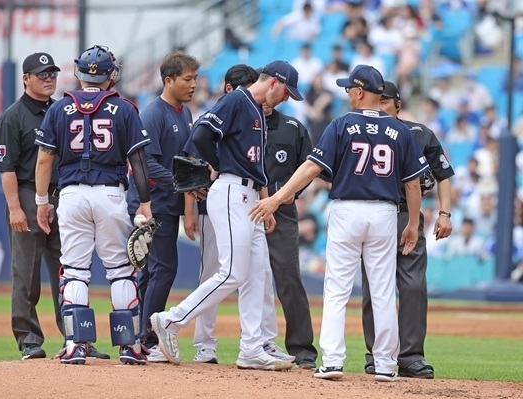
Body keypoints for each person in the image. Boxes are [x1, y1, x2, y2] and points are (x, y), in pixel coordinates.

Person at [248, 65, 429, 382]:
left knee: (337, 289)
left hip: (348, 210)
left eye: (349, 89)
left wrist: (277, 198)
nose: (347, 94)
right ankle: (385, 364)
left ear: (360, 92)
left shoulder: (342, 125)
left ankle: (332, 361)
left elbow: (311, 168)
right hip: (385, 213)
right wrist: (413, 223)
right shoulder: (399, 131)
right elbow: (413, 185)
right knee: (383, 289)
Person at [150, 61, 303, 371]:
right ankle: (170, 320)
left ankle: (251, 348)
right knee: (232, 272)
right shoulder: (237, 99)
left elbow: (256, 166)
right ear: (273, 82)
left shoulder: (258, 111)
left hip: (250, 197)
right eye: (287, 91)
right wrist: (220, 163)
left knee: (258, 274)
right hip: (231, 190)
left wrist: (265, 201)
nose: (288, 98)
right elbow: (202, 135)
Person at [34, 45, 153, 365]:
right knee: (120, 271)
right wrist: (145, 202)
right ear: (109, 75)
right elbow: (138, 161)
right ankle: (129, 346)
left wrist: (41, 201)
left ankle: (76, 344)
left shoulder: (59, 108)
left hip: (71, 195)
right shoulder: (124, 108)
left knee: (73, 270)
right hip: (111, 194)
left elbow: (45, 159)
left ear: (80, 72)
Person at [0, 52, 108, 360]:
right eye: (41, 74)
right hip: (30, 196)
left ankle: (76, 337)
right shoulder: (13, 116)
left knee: (70, 270)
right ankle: (29, 340)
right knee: (26, 273)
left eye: (52, 74)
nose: (48, 78)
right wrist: (15, 208)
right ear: (25, 78)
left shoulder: (63, 110)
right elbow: (6, 168)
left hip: (65, 197)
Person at [362, 81, 455, 379]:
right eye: (376, 102)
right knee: (375, 287)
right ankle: (377, 354)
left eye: (385, 102)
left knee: (413, 286)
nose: (380, 108)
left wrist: (445, 213)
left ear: (398, 105)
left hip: (406, 215)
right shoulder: (360, 130)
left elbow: (443, 173)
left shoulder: (418, 133)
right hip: (374, 212)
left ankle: (411, 356)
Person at [126, 50, 200, 362]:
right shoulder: (154, 114)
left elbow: (184, 162)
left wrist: (188, 201)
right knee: (163, 269)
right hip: (153, 204)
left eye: (195, 78)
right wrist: (183, 184)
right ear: (168, 80)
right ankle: (148, 338)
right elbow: (145, 163)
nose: (193, 84)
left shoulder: (183, 112)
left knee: (153, 272)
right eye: (187, 78)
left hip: (169, 203)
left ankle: (138, 336)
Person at [261, 100, 318, 369]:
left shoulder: (293, 128)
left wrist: (293, 193)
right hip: (245, 204)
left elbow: (310, 167)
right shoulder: (237, 120)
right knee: (244, 277)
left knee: (288, 277)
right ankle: (252, 344)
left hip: (281, 209)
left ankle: (302, 349)